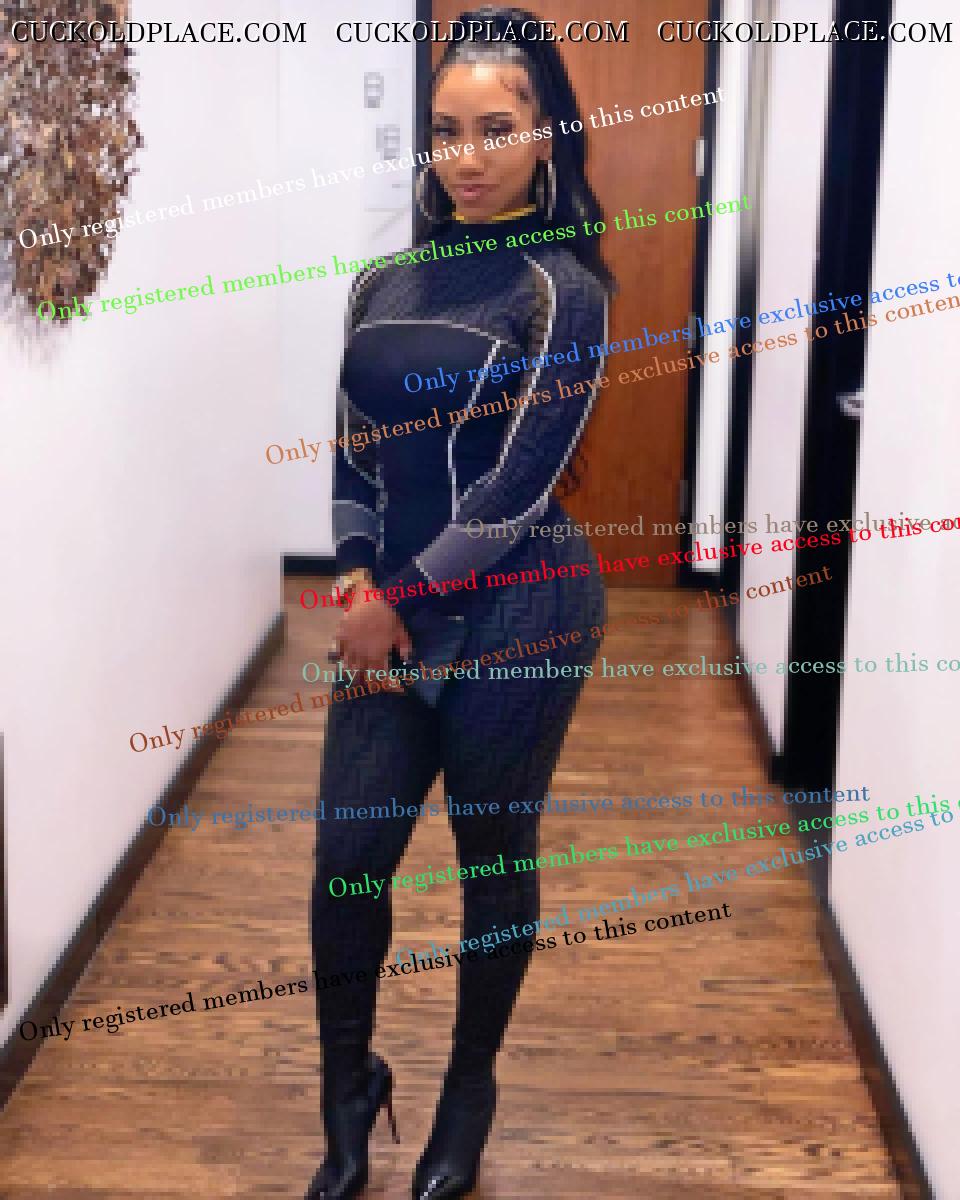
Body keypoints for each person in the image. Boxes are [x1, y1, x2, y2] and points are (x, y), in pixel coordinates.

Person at [307, 8, 614, 1197]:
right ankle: (347, 1096)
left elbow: (516, 485)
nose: (467, 157)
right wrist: (355, 579)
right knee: (348, 858)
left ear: (546, 139)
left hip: (519, 615)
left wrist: (395, 598)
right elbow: (354, 451)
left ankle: (467, 1094)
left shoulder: (561, 290)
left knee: (492, 854)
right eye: (445, 131)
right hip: (384, 614)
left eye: (496, 128)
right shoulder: (380, 282)